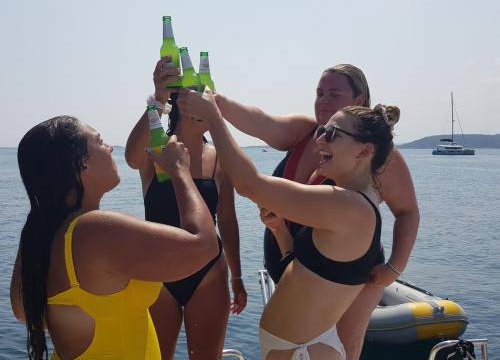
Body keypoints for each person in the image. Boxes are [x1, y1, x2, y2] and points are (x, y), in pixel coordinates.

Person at [210, 64, 420, 359]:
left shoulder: (379, 159)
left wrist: (393, 269)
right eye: (319, 92)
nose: (322, 101)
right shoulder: (307, 133)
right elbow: (261, 121)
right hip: (302, 262)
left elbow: (408, 212)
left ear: (359, 101)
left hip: (345, 275)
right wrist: (217, 102)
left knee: (344, 346)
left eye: (333, 93)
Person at [9, 116, 219, 360]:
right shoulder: (95, 230)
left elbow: (23, 311)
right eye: (100, 142)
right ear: (81, 164)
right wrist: (180, 171)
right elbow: (204, 245)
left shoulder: (43, 232)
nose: (110, 148)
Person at [124, 56, 247, 360]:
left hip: (208, 273)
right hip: (157, 271)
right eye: (199, 96)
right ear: (181, 103)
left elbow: (228, 220)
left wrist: (237, 276)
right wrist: (158, 98)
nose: (208, 101)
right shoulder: (158, 149)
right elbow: (130, 158)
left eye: (209, 96)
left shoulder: (220, 157)